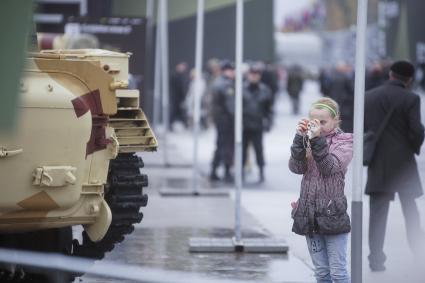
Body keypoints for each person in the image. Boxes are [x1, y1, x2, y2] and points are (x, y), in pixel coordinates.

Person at [364, 60, 425, 271]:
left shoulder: (369, 96)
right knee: (411, 211)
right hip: (403, 165)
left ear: (390, 74)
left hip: (378, 163)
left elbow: (362, 128)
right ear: (408, 80)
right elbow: (417, 130)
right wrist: (413, 147)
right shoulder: (411, 98)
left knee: (378, 214)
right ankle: (419, 256)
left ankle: (376, 261)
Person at [289, 97, 353, 283]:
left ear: (335, 120)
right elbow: (296, 168)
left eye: (323, 122)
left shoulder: (345, 142)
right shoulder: (308, 139)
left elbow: (329, 167)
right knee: (322, 272)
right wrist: (299, 138)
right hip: (310, 214)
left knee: (338, 272)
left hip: (332, 215)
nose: (318, 125)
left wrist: (316, 139)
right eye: (314, 121)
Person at [242, 65, 273, 183]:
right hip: (244, 125)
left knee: (259, 149)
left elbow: (269, 109)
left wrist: (268, 122)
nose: (254, 76)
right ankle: (241, 171)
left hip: (257, 124)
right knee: (242, 150)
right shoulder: (241, 89)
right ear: (248, 75)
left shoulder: (265, 90)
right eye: (252, 74)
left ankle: (261, 172)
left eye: (256, 74)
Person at [209, 61, 236, 182]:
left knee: (220, 145)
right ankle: (225, 171)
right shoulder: (226, 84)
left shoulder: (217, 82)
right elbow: (231, 106)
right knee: (226, 146)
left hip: (220, 120)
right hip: (227, 121)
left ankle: (215, 170)